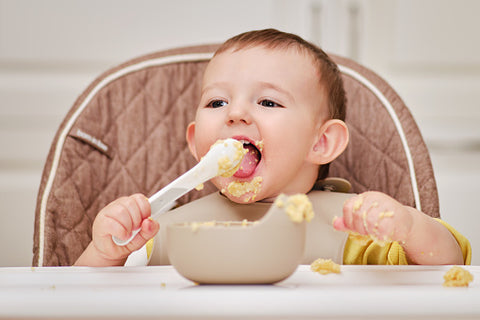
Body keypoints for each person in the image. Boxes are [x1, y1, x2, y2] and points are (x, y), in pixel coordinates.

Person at [74, 29, 470, 267]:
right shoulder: (162, 234)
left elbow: (450, 266)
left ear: (321, 142)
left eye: (267, 102)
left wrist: (409, 227)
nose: (235, 114)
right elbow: (80, 299)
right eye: (217, 102)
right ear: (196, 143)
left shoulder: (353, 229)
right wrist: (105, 252)